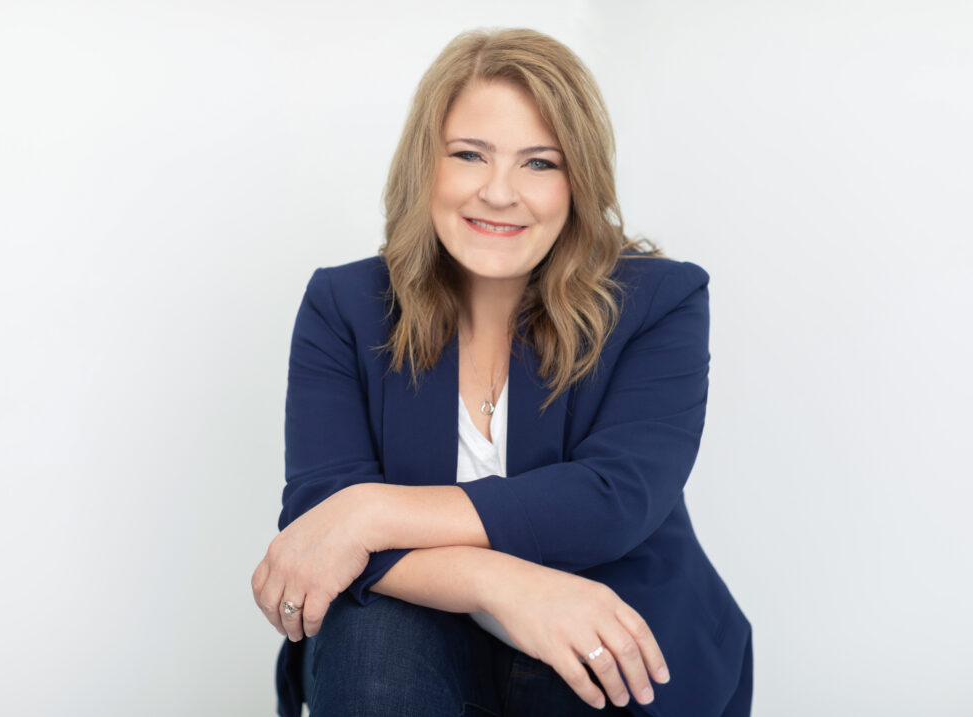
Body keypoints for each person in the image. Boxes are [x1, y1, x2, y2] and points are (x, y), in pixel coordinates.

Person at [251, 28, 752, 717]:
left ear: (578, 180)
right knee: (371, 640)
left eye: (539, 163)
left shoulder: (659, 302)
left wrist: (372, 509)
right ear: (426, 165)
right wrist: (501, 584)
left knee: (589, 660)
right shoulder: (344, 306)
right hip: (415, 629)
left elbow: (612, 497)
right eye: (469, 155)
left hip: (606, 613)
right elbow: (317, 529)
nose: (499, 192)